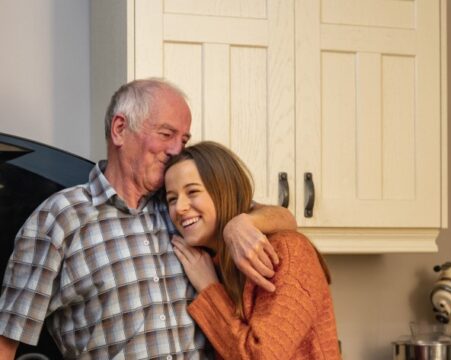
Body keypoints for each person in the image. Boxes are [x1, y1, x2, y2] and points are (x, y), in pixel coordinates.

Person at [0, 79, 296, 359]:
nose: (177, 150)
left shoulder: (185, 210)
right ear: (119, 129)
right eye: (166, 134)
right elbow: (7, 336)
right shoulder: (59, 219)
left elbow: (284, 217)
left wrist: (240, 224)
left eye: (184, 139)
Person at [165, 141, 340, 360]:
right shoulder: (210, 260)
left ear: (224, 191)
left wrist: (209, 288)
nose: (179, 208)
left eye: (192, 192)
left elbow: (261, 356)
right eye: (171, 199)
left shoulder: (287, 250)